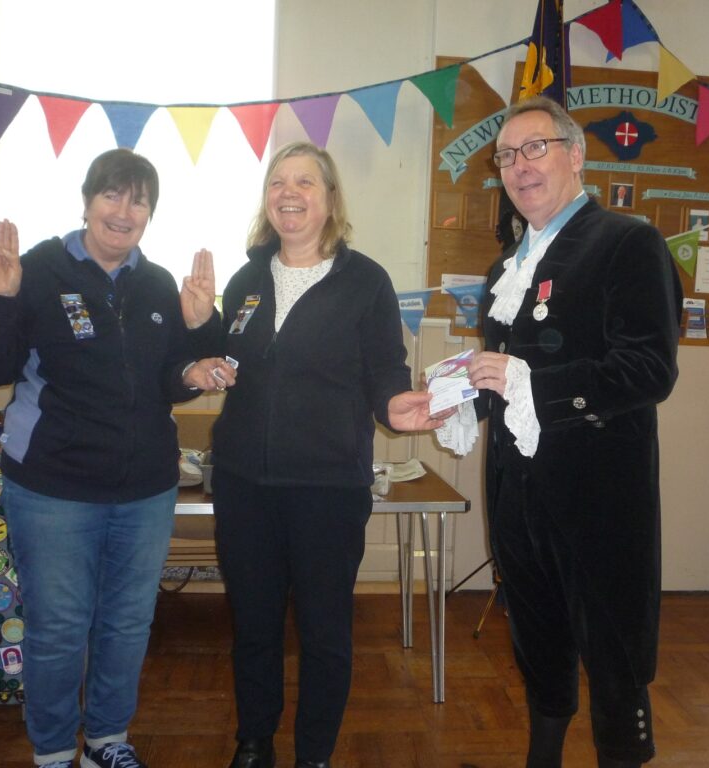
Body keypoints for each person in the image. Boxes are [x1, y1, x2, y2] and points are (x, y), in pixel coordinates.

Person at [0, 148, 236, 768]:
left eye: (139, 201)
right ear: (87, 201)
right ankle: (55, 750)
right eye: (112, 194)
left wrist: (202, 331)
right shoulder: (38, 269)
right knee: (59, 629)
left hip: (145, 488)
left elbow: (176, 376)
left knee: (128, 624)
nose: (124, 211)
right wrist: (1, 298)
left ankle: (107, 741)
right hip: (53, 488)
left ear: (150, 215)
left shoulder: (158, 283)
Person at [436, 97, 682, 768]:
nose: (519, 166)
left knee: (613, 656)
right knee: (539, 648)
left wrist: (529, 384)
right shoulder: (504, 269)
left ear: (576, 155)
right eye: (506, 156)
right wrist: (453, 400)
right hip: (517, 497)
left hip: (598, 501)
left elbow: (649, 370)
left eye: (535, 148)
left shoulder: (628, 243)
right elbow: (502, 380)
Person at [210, 141, 444, 768]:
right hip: (244, 483)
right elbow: (224, 362)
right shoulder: (246, 280)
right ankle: (254, 742)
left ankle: (313, 754)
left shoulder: (365, 281)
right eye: (278, 182)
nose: (289, 192)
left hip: (328, 488)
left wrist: (393, 405)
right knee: (254, 624)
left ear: (331, 198)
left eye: (305, 181)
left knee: (324, 632)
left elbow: (386, 369)